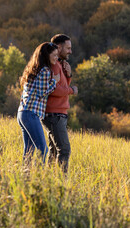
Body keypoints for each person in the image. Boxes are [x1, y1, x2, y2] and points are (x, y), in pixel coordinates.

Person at [17, 42, 60, 166]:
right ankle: (38, 179)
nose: (56, 58)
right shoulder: (45, 70)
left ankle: (26, 177)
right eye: (55, 55)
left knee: (29, 150)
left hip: (22, 113)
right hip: (31, 113)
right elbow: (42, 92)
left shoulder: (33, 70)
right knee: (43, 148)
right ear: (47, 55)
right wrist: (54, 82)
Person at [41, 34, 78, 173]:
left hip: (57, 113)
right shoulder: (54, 65)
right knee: (64, 150)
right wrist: (71, 90)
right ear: (59, 47)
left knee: (55, 151)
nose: (70, 51)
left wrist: (68, 76)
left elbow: (60, 85)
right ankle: (61, 184)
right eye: (68, 48)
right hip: (54, 114)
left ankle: (49, 181)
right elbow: (54, 89)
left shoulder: (59, 65)